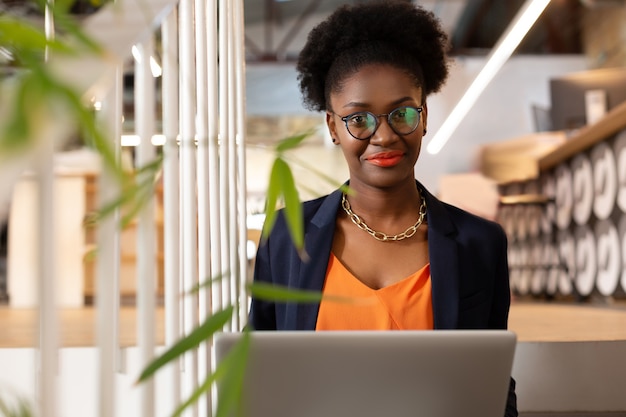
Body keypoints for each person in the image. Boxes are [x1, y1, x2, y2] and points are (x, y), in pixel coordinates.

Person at [248, 1, 517, 416]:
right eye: (359, 119)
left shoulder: (479, 243)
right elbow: (259, 376)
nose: (384, 135)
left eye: (402, 113)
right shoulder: (286, 235)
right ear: (333, 127)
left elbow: (493, 384)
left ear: (424, 116)